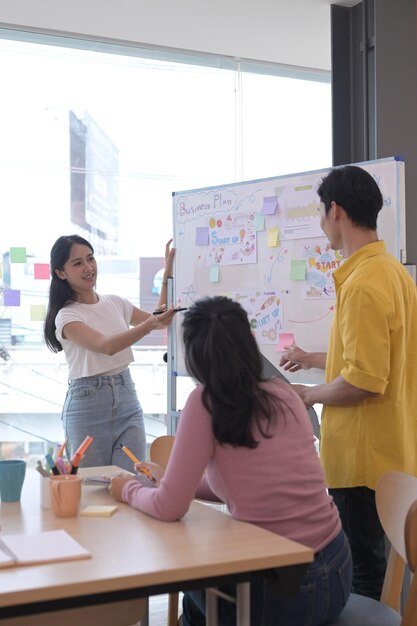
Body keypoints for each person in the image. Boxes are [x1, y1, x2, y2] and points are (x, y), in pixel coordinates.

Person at [109, 295, 352, 626]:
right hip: (337, 571)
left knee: (195, 582)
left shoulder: (205, 402)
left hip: (281, 590)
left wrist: (126, 489)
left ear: (196, 358)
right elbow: (251, 485)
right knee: (202, 591)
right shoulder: (283, 394)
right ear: (249, 343)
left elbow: (169, 509)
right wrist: (171, 479)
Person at [279, 165, 417, 601]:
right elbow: (372, 360)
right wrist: (312, 359)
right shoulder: (394, 273)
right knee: (380, 574)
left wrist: (308, 394)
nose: (322, 224)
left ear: (335, 210)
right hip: (389, 450)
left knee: (361, 580)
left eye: (321, 213)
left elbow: (366, 380)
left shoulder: (362, 284)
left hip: (361, 460)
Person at [44, 234, 177, 472]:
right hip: (87, 403)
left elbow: (158, 321)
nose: (88, 268)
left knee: (132, 481)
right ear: (60, 273)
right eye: (77, 263)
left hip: (127, 395)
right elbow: (107, 346)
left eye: (90, 259)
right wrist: (147, 326)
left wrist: (167, 273)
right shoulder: (66, 316)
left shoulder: (115, 302)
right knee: (92, 486)